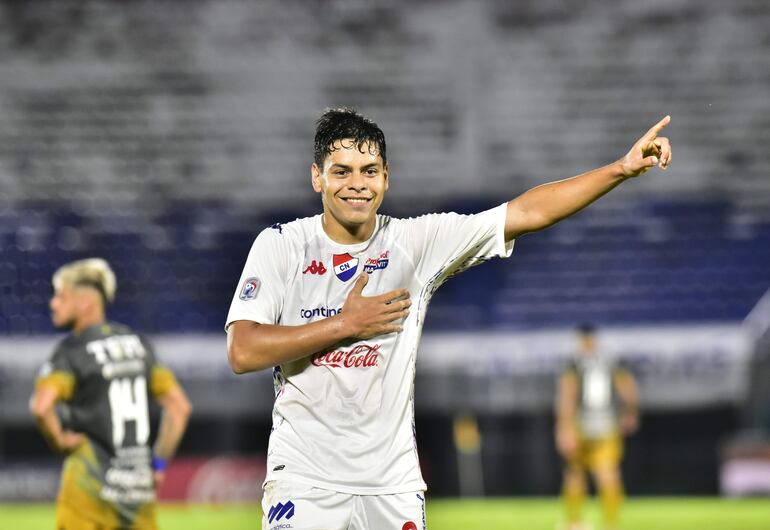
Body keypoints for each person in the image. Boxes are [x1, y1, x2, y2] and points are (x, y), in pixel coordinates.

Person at [225, 108, 670, 530]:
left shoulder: (415, 242)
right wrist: (344, 325)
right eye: (341, 171)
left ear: (386, 178)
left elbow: (526, 212)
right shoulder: (281, 245)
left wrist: (620, 169)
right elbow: (243, 351)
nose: (356, 184)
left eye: (369, 171)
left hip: (392, 484)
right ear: (317, 177)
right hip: (305, 481)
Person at [30, 258, 192, 530]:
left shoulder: (72, 350)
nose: (53, 303)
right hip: (135, 493)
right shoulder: (138, 344)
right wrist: (159, 464)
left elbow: (41, 406)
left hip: (87, 492)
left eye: (60, 296)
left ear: (85, 302)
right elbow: (179, 407)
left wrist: (59, 441)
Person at [555, 324, 639, 530]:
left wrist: (563, 428)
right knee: (608, 472)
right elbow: (629, 388)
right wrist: (630, 413)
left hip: (581, 424)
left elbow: (568, 395)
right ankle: (611, 523)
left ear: (580, 340)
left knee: (575, 473)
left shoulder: (574, 363)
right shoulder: (613, 361)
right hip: (607, 424)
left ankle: (574, 522)